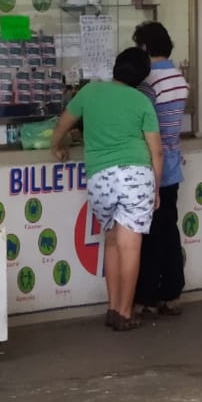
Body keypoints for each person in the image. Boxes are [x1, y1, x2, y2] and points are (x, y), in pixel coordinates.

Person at [50, 47, 162, 332]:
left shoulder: (90, 92)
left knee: (112, 242)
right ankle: (125, 313)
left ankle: (112, 308)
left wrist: (56, 146)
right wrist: (156, 189)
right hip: (135, 176)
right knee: (130, 246)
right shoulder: (141, 102)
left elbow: (63, 123)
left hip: (100, 178)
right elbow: (156, 152)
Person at [132, 21, 190, 317]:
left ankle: (148, 296)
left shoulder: (147, 81)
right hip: (172, 164)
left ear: (144, 47)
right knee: (169, 229)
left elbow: (141, 125)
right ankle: (172, 292)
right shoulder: (178, 77)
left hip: (149, 164)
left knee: (150, 234)